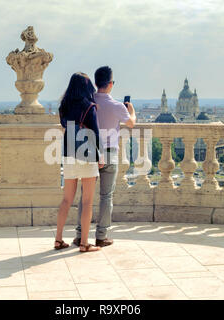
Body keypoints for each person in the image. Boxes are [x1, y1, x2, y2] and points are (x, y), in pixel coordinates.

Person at [73, 66, 136, 248]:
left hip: (89, 152)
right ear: (110, 84)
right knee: (106, 196)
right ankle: (101, 235)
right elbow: (131, 123)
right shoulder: (117, 106)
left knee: (85, 196)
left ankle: (80, 234)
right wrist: (131, 110)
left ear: (95, 83)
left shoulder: (87, 103)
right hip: (109, 153)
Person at [55, 72, 104, 253]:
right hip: (87, 155)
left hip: (69, 154)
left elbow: (64, 125)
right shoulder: (89, 106)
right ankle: (84, 243)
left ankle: (58, 239)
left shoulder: (63, 106)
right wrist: (101, 156)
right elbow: (96, 134)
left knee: (66, 200)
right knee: (88, 201)